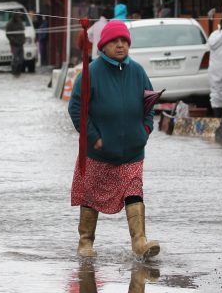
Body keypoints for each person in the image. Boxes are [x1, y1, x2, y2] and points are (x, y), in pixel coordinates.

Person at [68, 19, 160, 259]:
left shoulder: (137, 71)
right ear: (104, 45)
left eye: (124, 41)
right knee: (90, 194)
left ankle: (140, 242)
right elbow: (76, 108)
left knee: (134, 191)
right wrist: (92, 137)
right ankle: (85, 241)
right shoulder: (91, 73)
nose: (120, 45)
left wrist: (145, 130)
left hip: (132, 150)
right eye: (114, 41)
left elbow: (149, 103)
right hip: (98, 151)